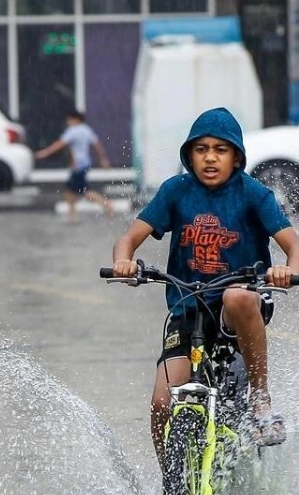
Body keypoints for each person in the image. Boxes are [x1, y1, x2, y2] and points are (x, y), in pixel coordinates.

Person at [109, 107, 299, 470]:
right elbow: (129, 239)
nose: (210, 157)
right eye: (201, 149)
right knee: (163, 403)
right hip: (188, 308)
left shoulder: (254, 194)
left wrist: (287, 272)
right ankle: (172, 486)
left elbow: (294, 245)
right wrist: (125, 261)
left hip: (238, 307)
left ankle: (260, 399)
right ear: (190, 155)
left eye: (220, 149)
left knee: (237, 294)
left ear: (236, 156)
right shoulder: (176, 191)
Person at [35, 110, 113, 221]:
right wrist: (103, 159)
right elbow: (97, 145)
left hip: (78, 165)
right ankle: (72, 214)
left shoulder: (73, 131)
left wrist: (44, 153)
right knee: (70, 190)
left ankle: (106, 204)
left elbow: (60, 144)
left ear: (76, 119)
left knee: (84, 191)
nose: (68, 122)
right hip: (84, 164)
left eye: (70, 119)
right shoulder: (86, 130)